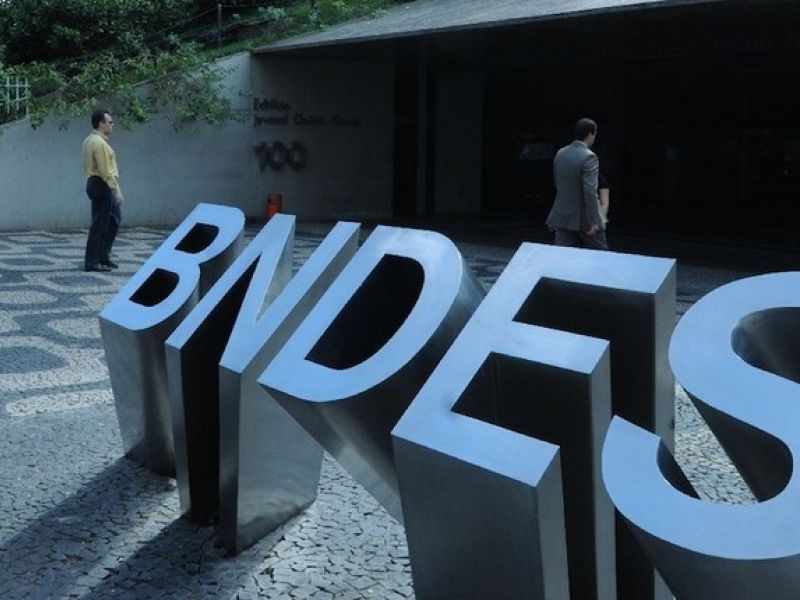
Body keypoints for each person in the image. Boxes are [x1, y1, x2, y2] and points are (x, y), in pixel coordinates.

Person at [546, 118, 608, 250]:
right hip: (585, 216)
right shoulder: (589, 157)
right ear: (590, 134)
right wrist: (594, 220)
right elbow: (590, 191)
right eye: (594, 134)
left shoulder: (560, 153)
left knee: (561, 253)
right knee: (601, 254)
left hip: (563, 215)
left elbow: (558, 185)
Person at [82, 108, 124, 272]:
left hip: (96, 183)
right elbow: (106, 171)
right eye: (110, 122)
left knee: (114, 219)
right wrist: (116, 191)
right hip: (101, 183)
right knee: (100, 224)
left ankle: (103, 256)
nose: (112, 125)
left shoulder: (90, 140)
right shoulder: (98, 143)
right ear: (101, 124)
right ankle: (92, 262)